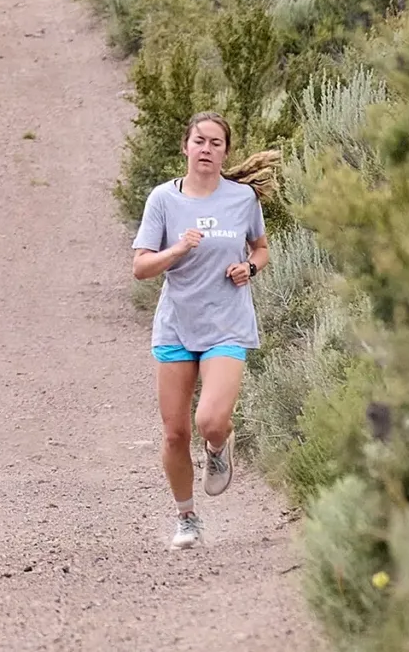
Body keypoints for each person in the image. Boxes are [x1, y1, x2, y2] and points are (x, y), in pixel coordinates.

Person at [131, 110, 268, 551]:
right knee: (174, 433)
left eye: (215, 143)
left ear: (226, 152)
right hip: (176, 327)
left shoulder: (243, 198)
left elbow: (261, 248)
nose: (206, 149)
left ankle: (218, 443)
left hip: (226, 323)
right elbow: (141, 268)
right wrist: (177, 248)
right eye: (199, 141)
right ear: (185, 147)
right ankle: (187, 517)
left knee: (209, 420)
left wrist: (249, 267)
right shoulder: (163, 200)